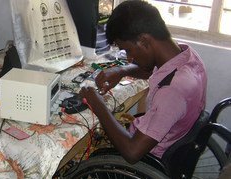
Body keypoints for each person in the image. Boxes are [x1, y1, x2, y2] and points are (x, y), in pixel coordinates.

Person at [79, 0, 207, 164]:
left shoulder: (172, 92)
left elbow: (132, 153)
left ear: (145, 41)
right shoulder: (187, 56)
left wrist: (96, 103)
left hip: (147, 160)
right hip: (163, 140)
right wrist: (121, 71)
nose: (129, 58)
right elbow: (153, 71)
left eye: (128, 50)